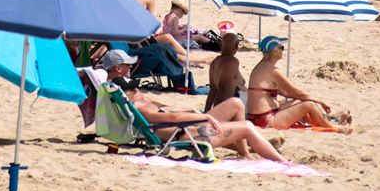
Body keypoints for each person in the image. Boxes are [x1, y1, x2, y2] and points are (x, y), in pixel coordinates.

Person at [100, 50, 285, 161]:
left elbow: (171, 113)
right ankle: (284, 163)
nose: (131, 68)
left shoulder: (131, 99)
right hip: (186, 133)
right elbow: (172, 119)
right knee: (246, 126)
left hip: (186, 126)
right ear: (117, 69)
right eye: (127, 65)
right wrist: (204, 116)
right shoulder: (140, 107)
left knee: (236, 103)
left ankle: (245, 152)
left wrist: (190, 111)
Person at [246, 36, 351, 132]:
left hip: (258, 117)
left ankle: (327, 120)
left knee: (299, 102)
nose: (283, 50)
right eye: (281, 47)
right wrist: (320, 102)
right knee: (309, 105)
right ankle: (334, 128)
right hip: (266, 120)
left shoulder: (261, 67)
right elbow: (297, 92)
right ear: (274, 51)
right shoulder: (272, 70)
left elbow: (287, 93)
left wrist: (305, 98)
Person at [204, 32, 245, 110]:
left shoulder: (214, 62)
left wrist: (207, 111)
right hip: (228, 106)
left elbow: (212, 90)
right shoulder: (232, 61)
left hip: (220, 105)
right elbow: (223, 88)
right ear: (236, 46)